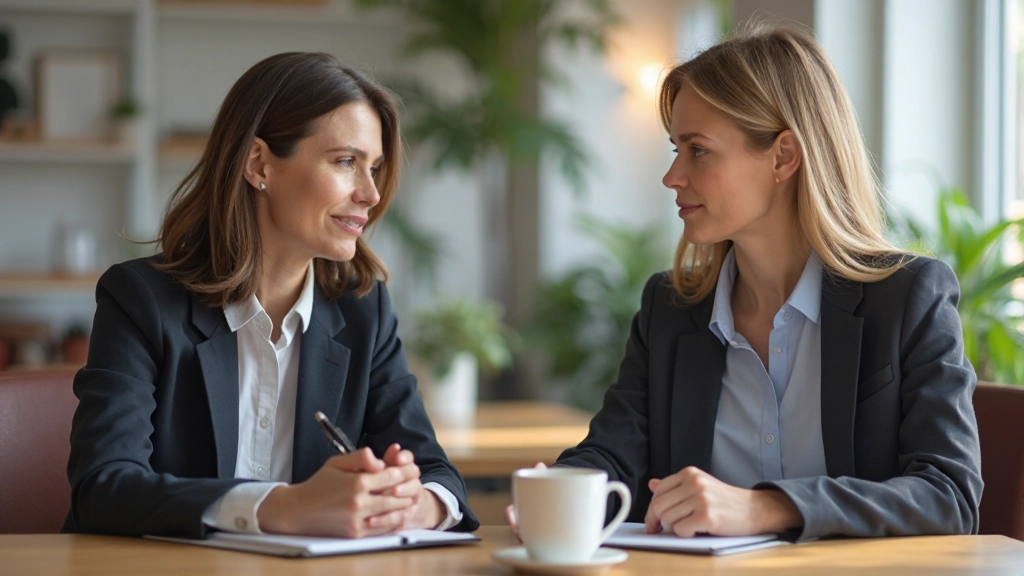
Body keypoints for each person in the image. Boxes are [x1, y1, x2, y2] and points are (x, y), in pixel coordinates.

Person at [529, 27, 982, 541]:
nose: (673, 176)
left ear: (783, 157)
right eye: (676, 149)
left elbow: (948, 495)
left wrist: (767, 507)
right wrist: (558, 494)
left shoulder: (907, 299)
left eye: (698, 151)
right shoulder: (670, 308)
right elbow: (613, 453)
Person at [64, 52, 479, 538]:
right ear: (259, 163)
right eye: (346, 161)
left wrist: (408, 505)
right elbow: (103, 487)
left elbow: (437, 476)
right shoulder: (140, 301)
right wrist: (283, 506)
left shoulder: (365, 311)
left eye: (375, 168)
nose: (370, 193)